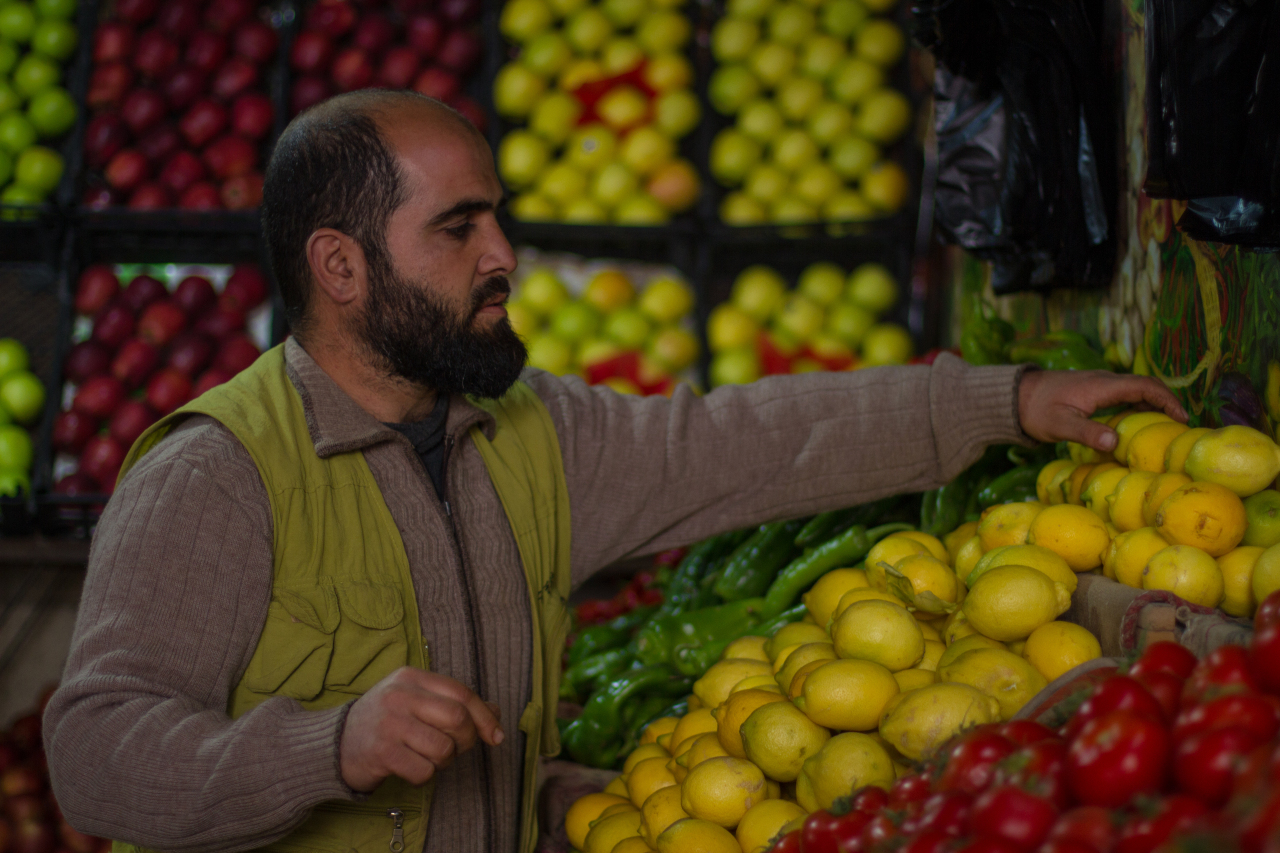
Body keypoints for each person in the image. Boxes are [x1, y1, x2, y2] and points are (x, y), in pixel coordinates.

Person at [44, 91, 1184, 853]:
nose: (504, 259)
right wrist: (328, 744)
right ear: (338, 267)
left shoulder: (524, 429)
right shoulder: (217, 474)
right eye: (459, 229)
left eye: (498, 220)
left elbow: (745, 442)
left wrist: (1002, 399)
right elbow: (94, 752)